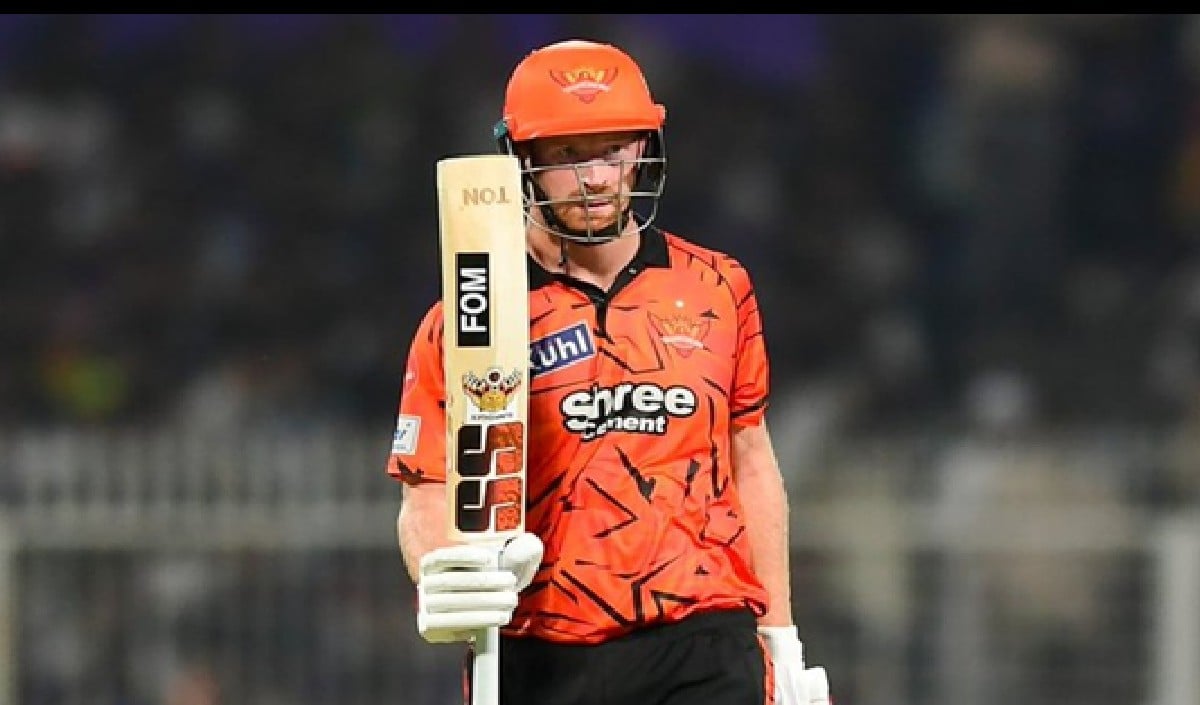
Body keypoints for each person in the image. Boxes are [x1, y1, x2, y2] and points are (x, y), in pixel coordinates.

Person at [387, 38, 831, 705]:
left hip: (703, 634)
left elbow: (751, 460)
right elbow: (428, 487)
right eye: (568, 154)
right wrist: (442, 571)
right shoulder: (467, 318)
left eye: (613, 150)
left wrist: (782, 636)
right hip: (541, 647)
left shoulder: (718, 286)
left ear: (642, 150)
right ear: (523, 158)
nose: (595, 178)